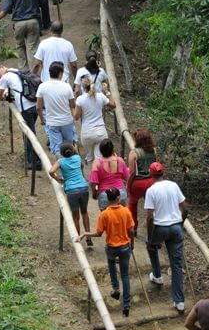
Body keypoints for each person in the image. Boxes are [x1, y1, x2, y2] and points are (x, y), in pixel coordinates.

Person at [77, 188, 135, 315]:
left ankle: (115, 289)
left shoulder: (104, 214)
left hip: (112, 247)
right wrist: (132, 244)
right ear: (118, 198)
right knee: (125, 275)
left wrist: (85, 234)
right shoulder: (126, 211)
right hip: (125, 246)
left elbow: (98, 233)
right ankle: (126, 305)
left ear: (108, 199)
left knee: (112, 266)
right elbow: (131, 230)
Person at [144, 161, 188, 312]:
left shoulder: (151, 190)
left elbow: (150, 217)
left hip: (160, 227)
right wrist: (181, 222)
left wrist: (150, 238)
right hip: (176, 227)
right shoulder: (173, 185)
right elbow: (185, 207)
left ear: (151, 175)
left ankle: (157, 275)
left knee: (151, 247)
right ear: (163, 172)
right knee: (176, 265)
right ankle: (179, 301)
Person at [0, 62, 41, 170]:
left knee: (29, 135)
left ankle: (34, 162)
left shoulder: (5, 77)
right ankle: (31, 158)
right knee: (30, 133)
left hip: (26, 108)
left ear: (2, 68)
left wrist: (4, 95)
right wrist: (9, 96)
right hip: (34, 104)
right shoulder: (15, 70)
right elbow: (17, 90)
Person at [50, 142, 92, 243]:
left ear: (61, 153)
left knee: (75, 216)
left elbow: (51, 171)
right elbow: (81, 165)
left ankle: (78, 238)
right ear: (72, 151)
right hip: (83, 188)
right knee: (84, 212)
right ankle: (88, 237)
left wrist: (58, 179)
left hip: (72, 191)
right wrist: (75, 149)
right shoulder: (77, 158)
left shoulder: (60, 161)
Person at [36, 61, 76, 154]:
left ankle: (60, 167)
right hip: (67, 121)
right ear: (60, 73)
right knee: (69, 147)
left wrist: (42, 119)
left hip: (52, 122)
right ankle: (70, 167)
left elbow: (38, 107)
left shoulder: (42, 87)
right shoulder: (67, 87)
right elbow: (72, 105)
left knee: (57, 149)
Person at [74, 75, 114, 163]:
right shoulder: (100, 96)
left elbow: (76, 117)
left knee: (90, 158)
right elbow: (113, 105)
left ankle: (92, 175)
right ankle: (99, 175)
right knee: (100, 160)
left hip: (87, 132)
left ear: (82, 87)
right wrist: (107, 91)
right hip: (100, 131)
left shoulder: (80, 99)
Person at [126, 128, 157, 233]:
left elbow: (132, 172)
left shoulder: (134, 153)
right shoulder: (154, 151)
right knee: (152, 206)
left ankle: (133, 228)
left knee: (132, 203)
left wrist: (128, 185)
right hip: (152, 181)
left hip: (138, 183)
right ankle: (154, 229)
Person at [89, 138, 129, 210]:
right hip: (120, 194)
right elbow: (127, 177)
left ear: (100, 150)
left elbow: (93, 182)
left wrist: (94, 194)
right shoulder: (119, 160)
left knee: (107, 218)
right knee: (122, 217)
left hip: (105, 194)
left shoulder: (97, 163)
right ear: (112, 149)